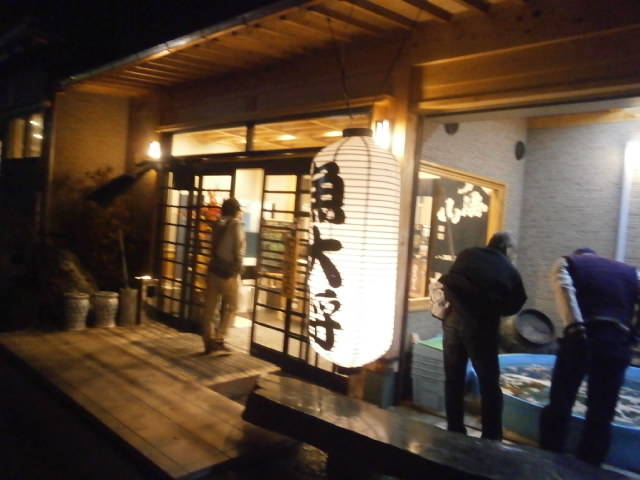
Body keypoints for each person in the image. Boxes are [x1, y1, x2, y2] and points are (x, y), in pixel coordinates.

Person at [539, 248, 638, 466]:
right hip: (616, 341)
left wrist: (575, 328)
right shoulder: (632, 273)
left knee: (560, 403)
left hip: (582, 336)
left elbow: (565, 291)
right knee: (601, 414)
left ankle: (548, 461)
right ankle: (590, 468)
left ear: (579, 255)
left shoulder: (568, 263)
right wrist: (633, 336)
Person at [439, 232, 527, 440]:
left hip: (452, 321)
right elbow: (515, 304)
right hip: (480, 327)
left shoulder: (467, 254)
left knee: (453, 379)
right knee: (489, 383)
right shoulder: (508, 268)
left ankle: (454, 431)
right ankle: (491, 437)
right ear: (506, 249)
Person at [202, 198, 245, 354]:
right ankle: (219, 338)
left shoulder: (217, 224)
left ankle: (208, 341)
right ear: (235, 211)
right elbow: (239, 248)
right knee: (233, 305)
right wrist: (238, 268)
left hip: (213, 269)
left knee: (209, 308)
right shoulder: (235, 224)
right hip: (227, 273)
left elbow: (211, 246)